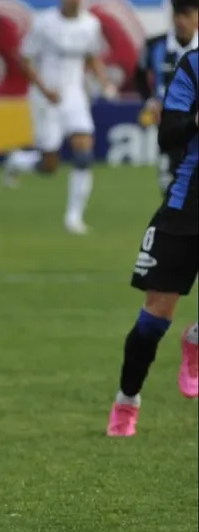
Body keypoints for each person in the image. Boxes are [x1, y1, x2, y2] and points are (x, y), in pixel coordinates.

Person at [107, 48, 198, 437]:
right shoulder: (193, 65)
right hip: (187, 205)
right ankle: (127, 400)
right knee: (154, 317)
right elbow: (167, 134)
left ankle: (196, 338)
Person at [2, 0, 118, 235]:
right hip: (46, 97)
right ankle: (17, 160)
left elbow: (91, 56)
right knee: (49, 166)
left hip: (74, 94)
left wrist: (104, 81)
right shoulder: (44, 23)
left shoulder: (91, 24)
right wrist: (45, 90)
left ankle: (74, 217)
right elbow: (25, 60)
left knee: (84, 150)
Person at [133, 0, 198, 193]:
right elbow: (139, 76)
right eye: (177, 15)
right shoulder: (155, 45)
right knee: (169, 184)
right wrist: (150, 102)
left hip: (195, 124)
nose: (181, 21)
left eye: (187, 15)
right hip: (170, 125)